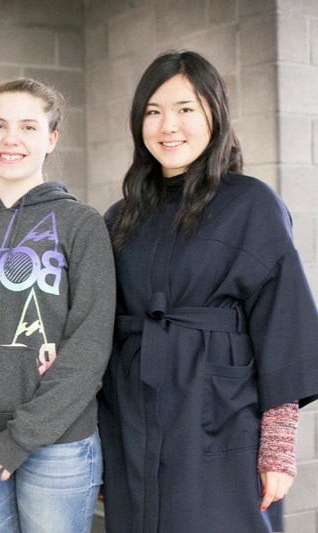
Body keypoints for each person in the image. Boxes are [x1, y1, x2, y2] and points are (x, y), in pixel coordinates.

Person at [99, 50, 318, 533]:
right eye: (153, 112)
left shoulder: (252, 204)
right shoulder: (119, 218)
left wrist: (279, 447)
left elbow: (284, 322)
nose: (167, 126)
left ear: (213, 115)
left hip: (223, 417)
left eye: (184, 109)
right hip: (131, 421)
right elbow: (97, 330)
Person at [0, 78, 115, 533]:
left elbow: (89, 349)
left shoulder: (81, 224)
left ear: (50, 140)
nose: (11, 139)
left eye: (28, 127)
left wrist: (17, 441)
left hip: (58, 445)